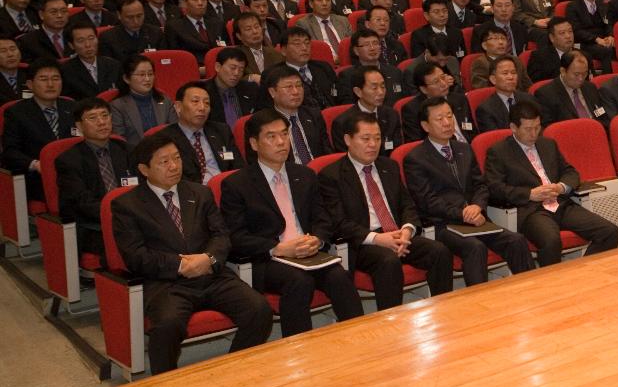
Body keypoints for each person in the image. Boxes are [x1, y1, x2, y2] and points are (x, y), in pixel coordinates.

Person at [110, 133, 273, 373]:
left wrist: (207, 259)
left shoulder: (199, 193)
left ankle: (233, 369)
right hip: (167, 284)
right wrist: (180, 265)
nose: (174, 166)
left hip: (212, 275)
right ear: (144, 169)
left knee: (259, 309)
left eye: (176, 158)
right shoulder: (127, 205)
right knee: (167, 325)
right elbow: (136, 256)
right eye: (164, 162)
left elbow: (221, 236)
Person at [219, 109, 365, 337]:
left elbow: (323, 219)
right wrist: (277, 248)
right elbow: (235, 237)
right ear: (254, 144)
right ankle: (298, 350)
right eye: (271, 136)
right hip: (268, 259)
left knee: (339, 276)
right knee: (299, 281)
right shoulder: (237, 184)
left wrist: (317, 238)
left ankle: (360, 337)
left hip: (308, 253)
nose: (281, 142)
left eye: (284, 134)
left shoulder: (304, 175)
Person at [317, 113, 453, 309]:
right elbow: (339, 223)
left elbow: (407, 205)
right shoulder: (331, 175)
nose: (373, 144)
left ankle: (443, 309)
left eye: (378, 138)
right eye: (366, 139)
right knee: (388, 261)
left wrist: (407, 230)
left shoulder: (388, 166)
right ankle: (390, 321)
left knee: (439, 251)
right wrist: (378, 239)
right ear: (348, 140)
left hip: (397, 234)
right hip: (363, 243)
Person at [402, 97, 534, 286]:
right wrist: (463, 213)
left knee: (516, 240)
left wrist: (477, 206)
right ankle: (478, 303)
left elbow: (480, 185)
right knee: (475, 248)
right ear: (425, 125)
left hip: (475, 217)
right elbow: (427, 201)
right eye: (439, 119)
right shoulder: (415, 159)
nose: (447, 122)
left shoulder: (464, 149)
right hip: (443, 225)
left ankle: (530, 290)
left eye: (449, 116)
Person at [483, 100, 618, 267]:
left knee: (610, 232)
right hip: (532, 211)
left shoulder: (547, 144)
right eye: (528, 129)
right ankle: (551, 287)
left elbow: (571, 172)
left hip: (561, 204)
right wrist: (530, 194)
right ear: (513, 127)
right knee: (551, 241)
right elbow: (495, 188)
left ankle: (584, 273)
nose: (534, 134)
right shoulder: (499, 152)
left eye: (537, 127)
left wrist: (561, 187)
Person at [55, 98, 132, 256]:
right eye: (93, 118)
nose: (102, 122)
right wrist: (118, 216)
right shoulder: (68, 160)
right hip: (95, 224)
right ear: (79, 126)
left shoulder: (128, 151)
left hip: (132, 219)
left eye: (105, 115)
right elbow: (82, 202)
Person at [2, 59, 74, 199]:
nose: (50, 84)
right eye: (43, 79)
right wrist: (36, 165)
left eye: (55, 78)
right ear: (30, 84)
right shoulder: (16, 113)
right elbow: (10, 152)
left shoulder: (72, 107)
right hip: (39, 178)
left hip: (74, 173)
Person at [164, 82, 244, 185]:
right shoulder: (165, 139)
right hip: (193, 195)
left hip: (227, 190)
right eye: (195, 101)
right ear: (178, 107)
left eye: (207, 103)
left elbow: (238, 166)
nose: (202, 108)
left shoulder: (221, 131)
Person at [262, 67, 332, 163]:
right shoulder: (263, 122)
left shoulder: (313, 115)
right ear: (272, 92)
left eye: (299, 86)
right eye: (288, 87)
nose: (295, 92)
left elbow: (327, 152)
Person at [328, 65, 404, 150]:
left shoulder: (391, 115)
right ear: (358, 92)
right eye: (374, 88)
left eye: (383, 87)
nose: (380, 92)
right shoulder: (342, 123)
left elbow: (396, 151)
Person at [536, 51, 608, 126]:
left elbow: (601, 115)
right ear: (563, 71)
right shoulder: (546, 95)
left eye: (584, 73)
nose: (581, 79)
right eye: (576, 74)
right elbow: (549, 129)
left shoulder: (590, 88)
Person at [60, 23, 121, 100]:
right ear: (71, 45)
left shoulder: (113, 65)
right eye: (81, 40)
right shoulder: (65, 72)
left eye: (91, 38)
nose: (88, 45)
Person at [203, 47, 259, 127]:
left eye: (241, 70)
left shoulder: (251, 89)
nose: (236, 73)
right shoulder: (203, 91)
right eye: (233, 68)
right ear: (218, 67)